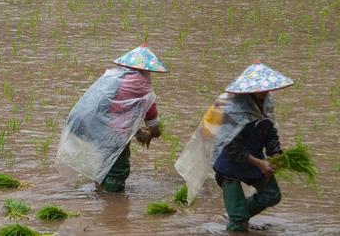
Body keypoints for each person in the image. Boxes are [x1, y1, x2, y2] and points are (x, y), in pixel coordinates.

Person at [175, 62, 293, 232]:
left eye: (267, 88)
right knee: (238, 222)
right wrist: (260, 163)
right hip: (229, 166)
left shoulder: (266, 102)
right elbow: (231, 146)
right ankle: (236, 219)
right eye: (261, 89)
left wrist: (275, 153)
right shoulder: (232, 108)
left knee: (272, 195)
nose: (265, 92)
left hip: (253, 159)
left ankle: (235, 215)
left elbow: (269, 131)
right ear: (250, 89)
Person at [55, 44, 168, 193]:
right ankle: (113, 200)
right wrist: (155, 130)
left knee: (106, 160)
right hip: (110, 131)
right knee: (119, 167)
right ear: (146, 69)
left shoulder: (112, 76)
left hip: (87, 123)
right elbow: (150, 112)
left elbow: (116, 108)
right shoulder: (141, 84)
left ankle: (99, 191)